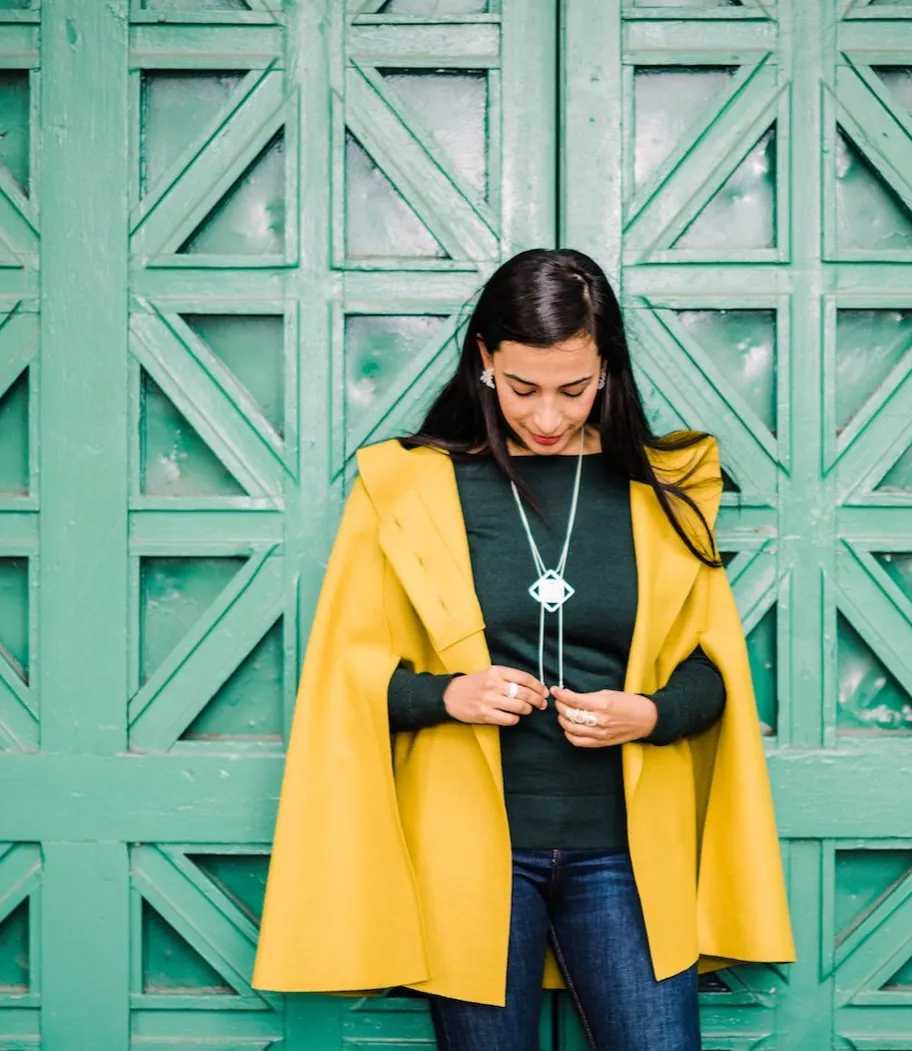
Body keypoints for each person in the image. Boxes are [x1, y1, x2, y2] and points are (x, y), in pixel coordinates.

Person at [251, 249, 794, 1050]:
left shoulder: (662, 489)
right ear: (484, 363)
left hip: (624, 855)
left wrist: (646, 713)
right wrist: (448, 695)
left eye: (572, 389)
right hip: (471, 856)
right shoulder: (409, 488)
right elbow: (348, 679)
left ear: (606, 369)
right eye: (521, 387)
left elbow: (712, 678)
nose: (546, 415)